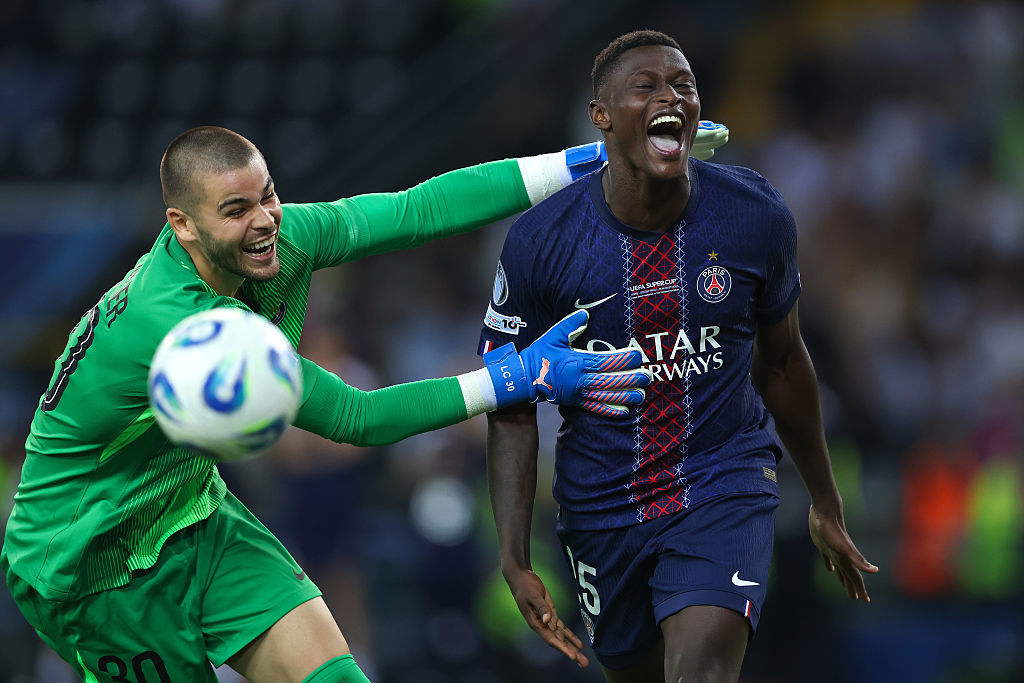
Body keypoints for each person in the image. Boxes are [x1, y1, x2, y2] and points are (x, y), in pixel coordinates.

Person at [0, 125, 675, 683]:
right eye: (236, 211)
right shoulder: (183, 327)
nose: (265, 221)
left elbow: (418, 210)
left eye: (267, 196)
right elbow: (359, 417)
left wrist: (586, 164)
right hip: (91, 566)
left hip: (191, 513)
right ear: (181, 224)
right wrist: (515, 376)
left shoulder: (280, 237)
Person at [479, 30, 878, 682]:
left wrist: (824, 499)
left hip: (723, 483)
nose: (671, 96)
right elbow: (511, 402)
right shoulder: (539, 242)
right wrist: (513, 555)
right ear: (601, 117)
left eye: (684, 86)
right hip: (601, 506)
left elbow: (781, 363)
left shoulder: (753, 215)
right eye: (647, 87)